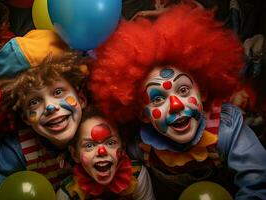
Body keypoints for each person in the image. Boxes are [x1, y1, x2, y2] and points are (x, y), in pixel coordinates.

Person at [88, 4, 266, 200]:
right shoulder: (139, 146)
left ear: (203, 91)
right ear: (142, 113)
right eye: (157, 98)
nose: (176, 105)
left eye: (183, 90)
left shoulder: (226, 128)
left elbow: (258, 181)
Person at [0, 29, 89, 200]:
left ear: (81, 98)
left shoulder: (101, 128)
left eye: (58, 91)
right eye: (33, 102)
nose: (50, 107)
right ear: (25, 117)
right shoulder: (18, 151)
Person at [56, 107, 155, 200]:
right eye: (89, 146)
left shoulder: (136, 175)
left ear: (123, 148)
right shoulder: (68, 194)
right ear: (74, 154)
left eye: (111, 143)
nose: (102, 151)